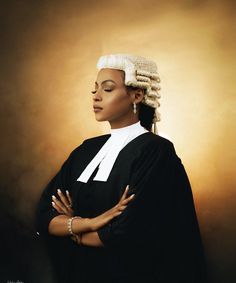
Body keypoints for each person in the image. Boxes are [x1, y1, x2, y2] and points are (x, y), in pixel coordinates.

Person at [35, 54, 207, 283]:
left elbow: (128, 231)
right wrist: (89, 224)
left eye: (107, 89)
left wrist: (72, 230)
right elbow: (44, 215)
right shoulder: (85, 151)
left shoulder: (156, 151)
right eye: (94, 89)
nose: (95, 96)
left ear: (137, 95)